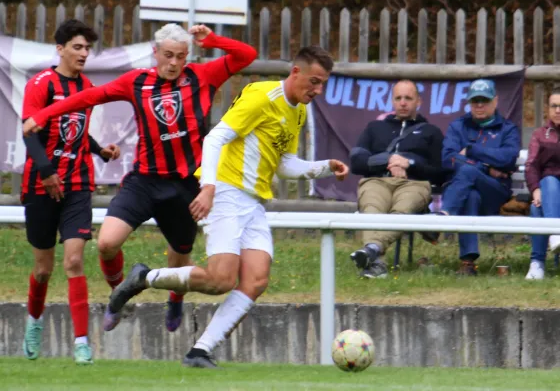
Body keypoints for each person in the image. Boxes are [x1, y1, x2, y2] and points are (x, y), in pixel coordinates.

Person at [106, 46, 349, 368]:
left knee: (256, 280)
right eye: (314, 82)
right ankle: (144, 278)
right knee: (220, 281)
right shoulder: (262, 97)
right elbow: (215, 138)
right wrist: (209, 188)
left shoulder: (298, 111)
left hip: (253, 202)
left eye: (322, 85)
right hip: (228, 193)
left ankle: (200, 351)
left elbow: (285, 163)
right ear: (295, 72)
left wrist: (324, 167)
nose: (317, 90)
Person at [22, 23, 257, 333]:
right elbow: (90, 97)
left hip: (186, 184)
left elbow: (247, 54)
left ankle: (175, 299)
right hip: (144, 181)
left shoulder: (202, 76)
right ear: (155, 53)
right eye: (168, 55)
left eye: (181, 57)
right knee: (106, 243)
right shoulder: (136, 82)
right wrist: (44, 115)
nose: (174, 63)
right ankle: (120, 291)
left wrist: (212, 40)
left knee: (181, 261)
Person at [21, 19, 121, 365]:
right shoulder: (41, 84)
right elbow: (29, 132)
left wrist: (99, 151)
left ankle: (81, 344)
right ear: (60, 49)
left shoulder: (87, 86)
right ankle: (34, 321)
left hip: (78, 183)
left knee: (75, 260)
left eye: (87, 48)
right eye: (77, 47)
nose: (83, 54)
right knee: (44, 269)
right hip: (40, 184)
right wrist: (47, 172)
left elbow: (75, 132)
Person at [421, 79, 521, 276]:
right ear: (469, 103)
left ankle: (442, 219)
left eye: (484, 100)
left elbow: (508, 158)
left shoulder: (507, 129)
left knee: (467, 172)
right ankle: (468, 264)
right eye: (475, 101)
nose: (480, 105)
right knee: (471, 194)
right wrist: (486, 166)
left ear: (495, 101)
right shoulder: (458, 126)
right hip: (465, 190)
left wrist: (471, 150)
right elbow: (448, 159)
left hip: (495, 192)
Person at [349, 80, 444, 278]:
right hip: (377, 181)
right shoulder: (375, 127)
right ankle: (375, 260)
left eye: (408, 98)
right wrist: (389, 160)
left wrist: (410, 163)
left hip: (414, 183)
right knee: (372, 211)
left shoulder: (431, 132)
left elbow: (440, 171)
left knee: (402, 210)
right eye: (398, 98)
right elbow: (357, 161)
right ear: (392, 101)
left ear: (419, 101)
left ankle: (372, 251)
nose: (402, 103)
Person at [524, 87, 560, 280]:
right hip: (548, 190)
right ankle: (555, 235)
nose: (558, 110)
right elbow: (531, 165)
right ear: (548, 109)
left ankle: (537, 262)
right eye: (554, 106)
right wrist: (536, 190)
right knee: (548, 183)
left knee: (538, 210)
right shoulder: (540, 134)